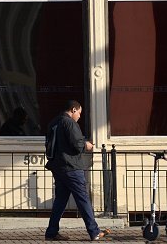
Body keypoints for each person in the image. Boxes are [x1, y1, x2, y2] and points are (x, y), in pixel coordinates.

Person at [44, 100, 109, 241]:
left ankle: (51, 232)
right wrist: (86, 145)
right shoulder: (70, 123)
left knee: (60, 201)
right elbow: (77, 145)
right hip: (71, 167)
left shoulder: (53, 122)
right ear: (73, 110)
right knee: (83, 199)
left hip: (57, 166)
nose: (80, 116)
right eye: (79, 112)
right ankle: (94, 231)